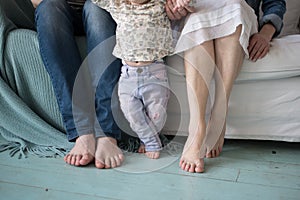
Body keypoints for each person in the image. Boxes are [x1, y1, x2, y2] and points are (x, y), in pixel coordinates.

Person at [165, 0, 286, 173]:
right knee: (197, 19)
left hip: (238, 13)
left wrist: (266, 32)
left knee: (234, 9)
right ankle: (197, 128)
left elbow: (275, 3)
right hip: (196, 13)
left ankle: (220, 112)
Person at [33, 0, 124, 168]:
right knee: (48, 8)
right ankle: (82, 131)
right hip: (62, 10)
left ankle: (106, 132)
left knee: (96, 7)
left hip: (103, 9)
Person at [92, 0, 173, 159]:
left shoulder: (160, 5)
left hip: (155, 72)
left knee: (157, 114)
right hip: (128, 75)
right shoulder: (118, 6)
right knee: (132, 113)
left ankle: (148, 140)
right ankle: (150, 141)